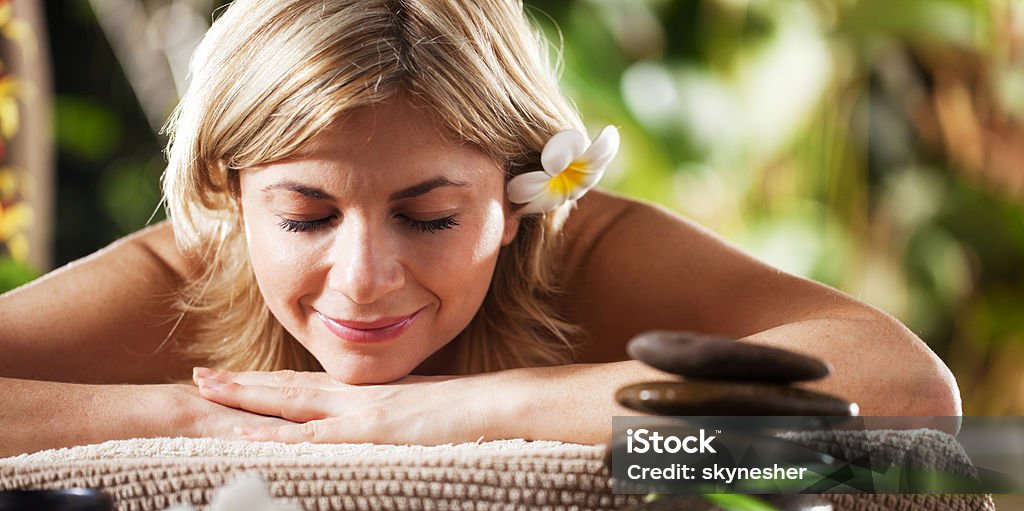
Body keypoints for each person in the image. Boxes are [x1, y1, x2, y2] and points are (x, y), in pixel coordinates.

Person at [0, 0, 959, 458]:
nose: (364, 277)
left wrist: (465, 407)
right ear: (229, 194)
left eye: (428, 215)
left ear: (516, 197)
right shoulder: (194, 274)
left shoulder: (591, 253)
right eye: (304, 215)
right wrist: (196, 415)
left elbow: (908, 391)